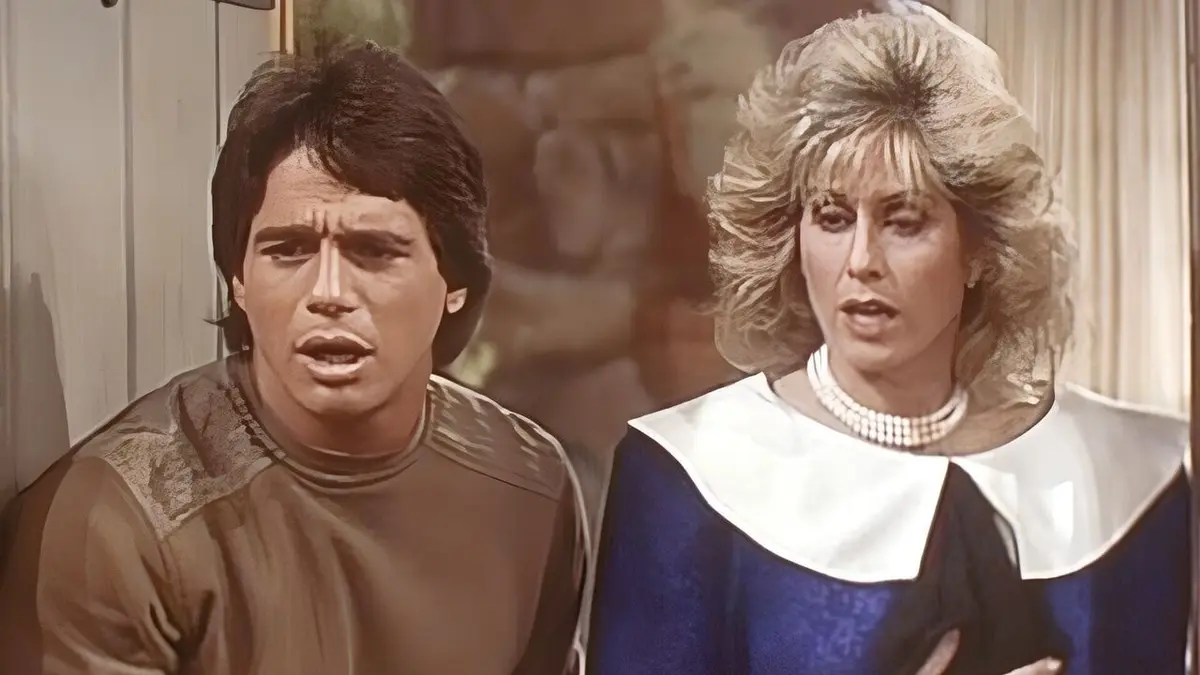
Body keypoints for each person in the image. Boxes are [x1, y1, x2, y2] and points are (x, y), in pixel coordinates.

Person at [586, 6, 1189, 675]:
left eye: (904, 221)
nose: (861, 261)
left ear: (979, 248)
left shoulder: (1130, 475)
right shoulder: (687, 475)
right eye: (832, 218)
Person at [0, 41, 587, 675]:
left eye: (375, 251)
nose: (328, 293)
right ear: (239, 279)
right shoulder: (118, 521)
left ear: (455, 283)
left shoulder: (530, 487)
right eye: (288, 249)